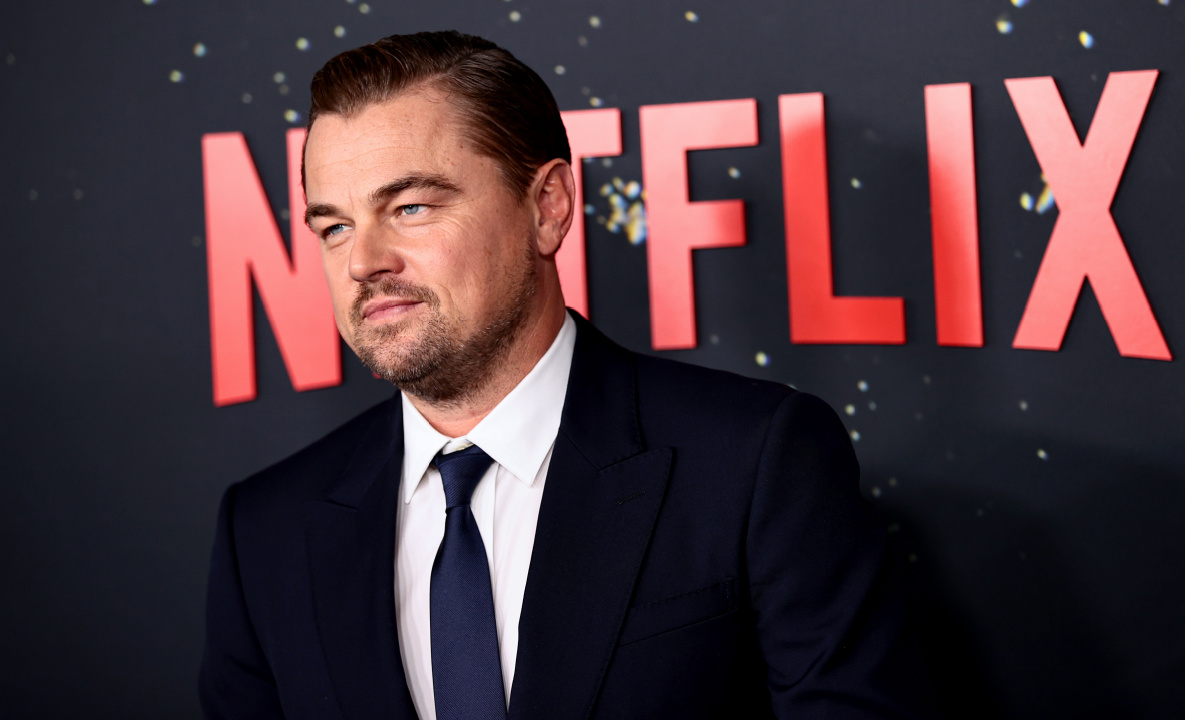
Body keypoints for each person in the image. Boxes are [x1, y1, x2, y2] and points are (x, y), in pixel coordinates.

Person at [199, 30, 925, 720]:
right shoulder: (265, 531)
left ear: (547, 208)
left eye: (411, 206)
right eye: (334, 227)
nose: (363, 262)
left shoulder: (754, 462)